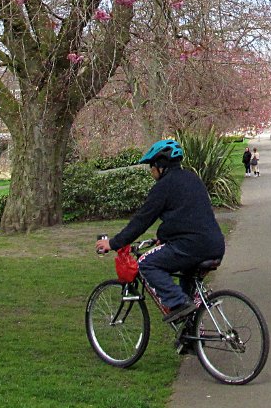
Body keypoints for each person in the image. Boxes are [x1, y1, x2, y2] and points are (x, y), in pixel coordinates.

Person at [94, 139, 225, 324]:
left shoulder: (163, 186)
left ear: (160, 165)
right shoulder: (192, 179)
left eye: (151, 166)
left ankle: (178, 303)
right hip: (214, 245)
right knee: (187, 285)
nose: (150, 171)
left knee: (146, 263)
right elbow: (189, 216)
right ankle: (192, 336)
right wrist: (164, 237)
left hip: (191, 246)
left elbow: (141, 221)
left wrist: (113, 243)